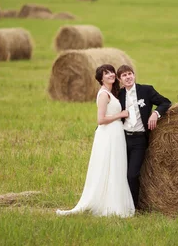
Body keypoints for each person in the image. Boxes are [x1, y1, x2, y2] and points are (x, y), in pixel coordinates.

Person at [56, 64, 135, 218]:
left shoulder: (111, 92)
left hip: (115, 134)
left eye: (112, 72)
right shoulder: (103, 94)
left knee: (116, 167)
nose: (111, 74)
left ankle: (114, 201)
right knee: (109, 166)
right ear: (100, 78)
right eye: (106, 73)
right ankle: (109, 205)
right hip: (108, 134)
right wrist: (121, 115)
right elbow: (100, 119)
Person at [117, 65, 171, 210]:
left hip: (139, 140)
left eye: (130, 74)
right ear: (120, 79)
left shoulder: (146, 90)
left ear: (134, 75)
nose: (128, 77)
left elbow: (165, 102)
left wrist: (155, 114)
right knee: (119, 174)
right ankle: (121, 204)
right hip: (122, 139)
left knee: (132, 175)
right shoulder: (119, 94)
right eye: (124, 75)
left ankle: (134, 207)